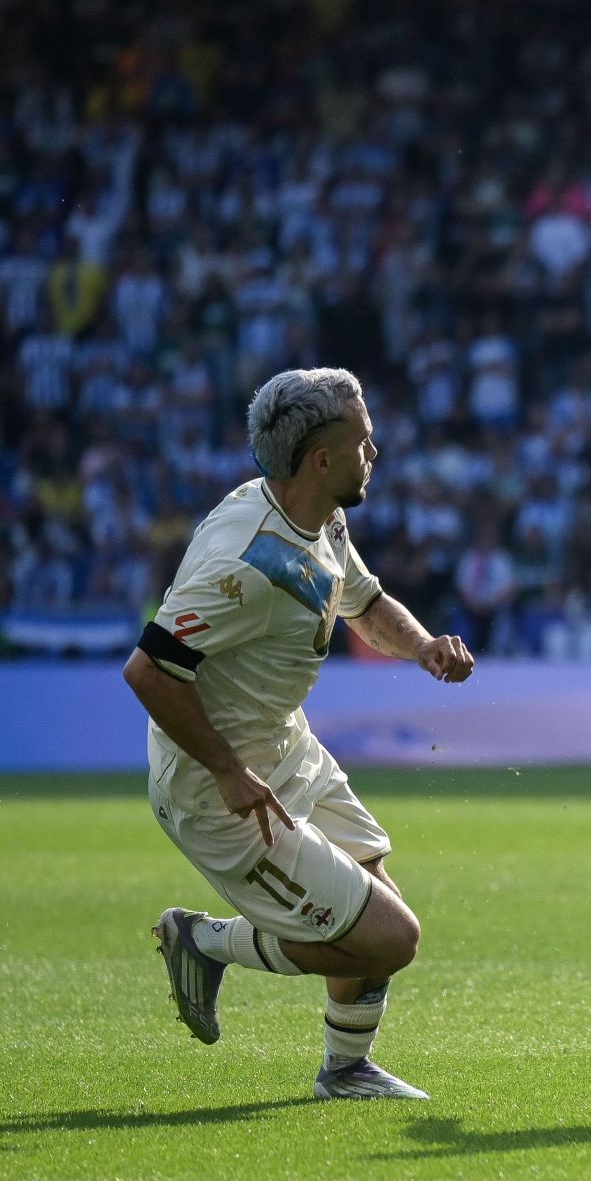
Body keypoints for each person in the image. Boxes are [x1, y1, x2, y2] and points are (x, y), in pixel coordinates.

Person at [122, 367, 476, 1097]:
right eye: (364, 442)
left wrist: (422, 649)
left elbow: (364, 601)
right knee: (387, 937)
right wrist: (224, 768)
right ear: (321, 459)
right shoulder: (245, 562)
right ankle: (202, 941)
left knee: (375, 900)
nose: (373, 453)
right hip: (218, 786)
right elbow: (149, 671)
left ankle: (346, 1071)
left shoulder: (319, 518)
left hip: (285, 746)